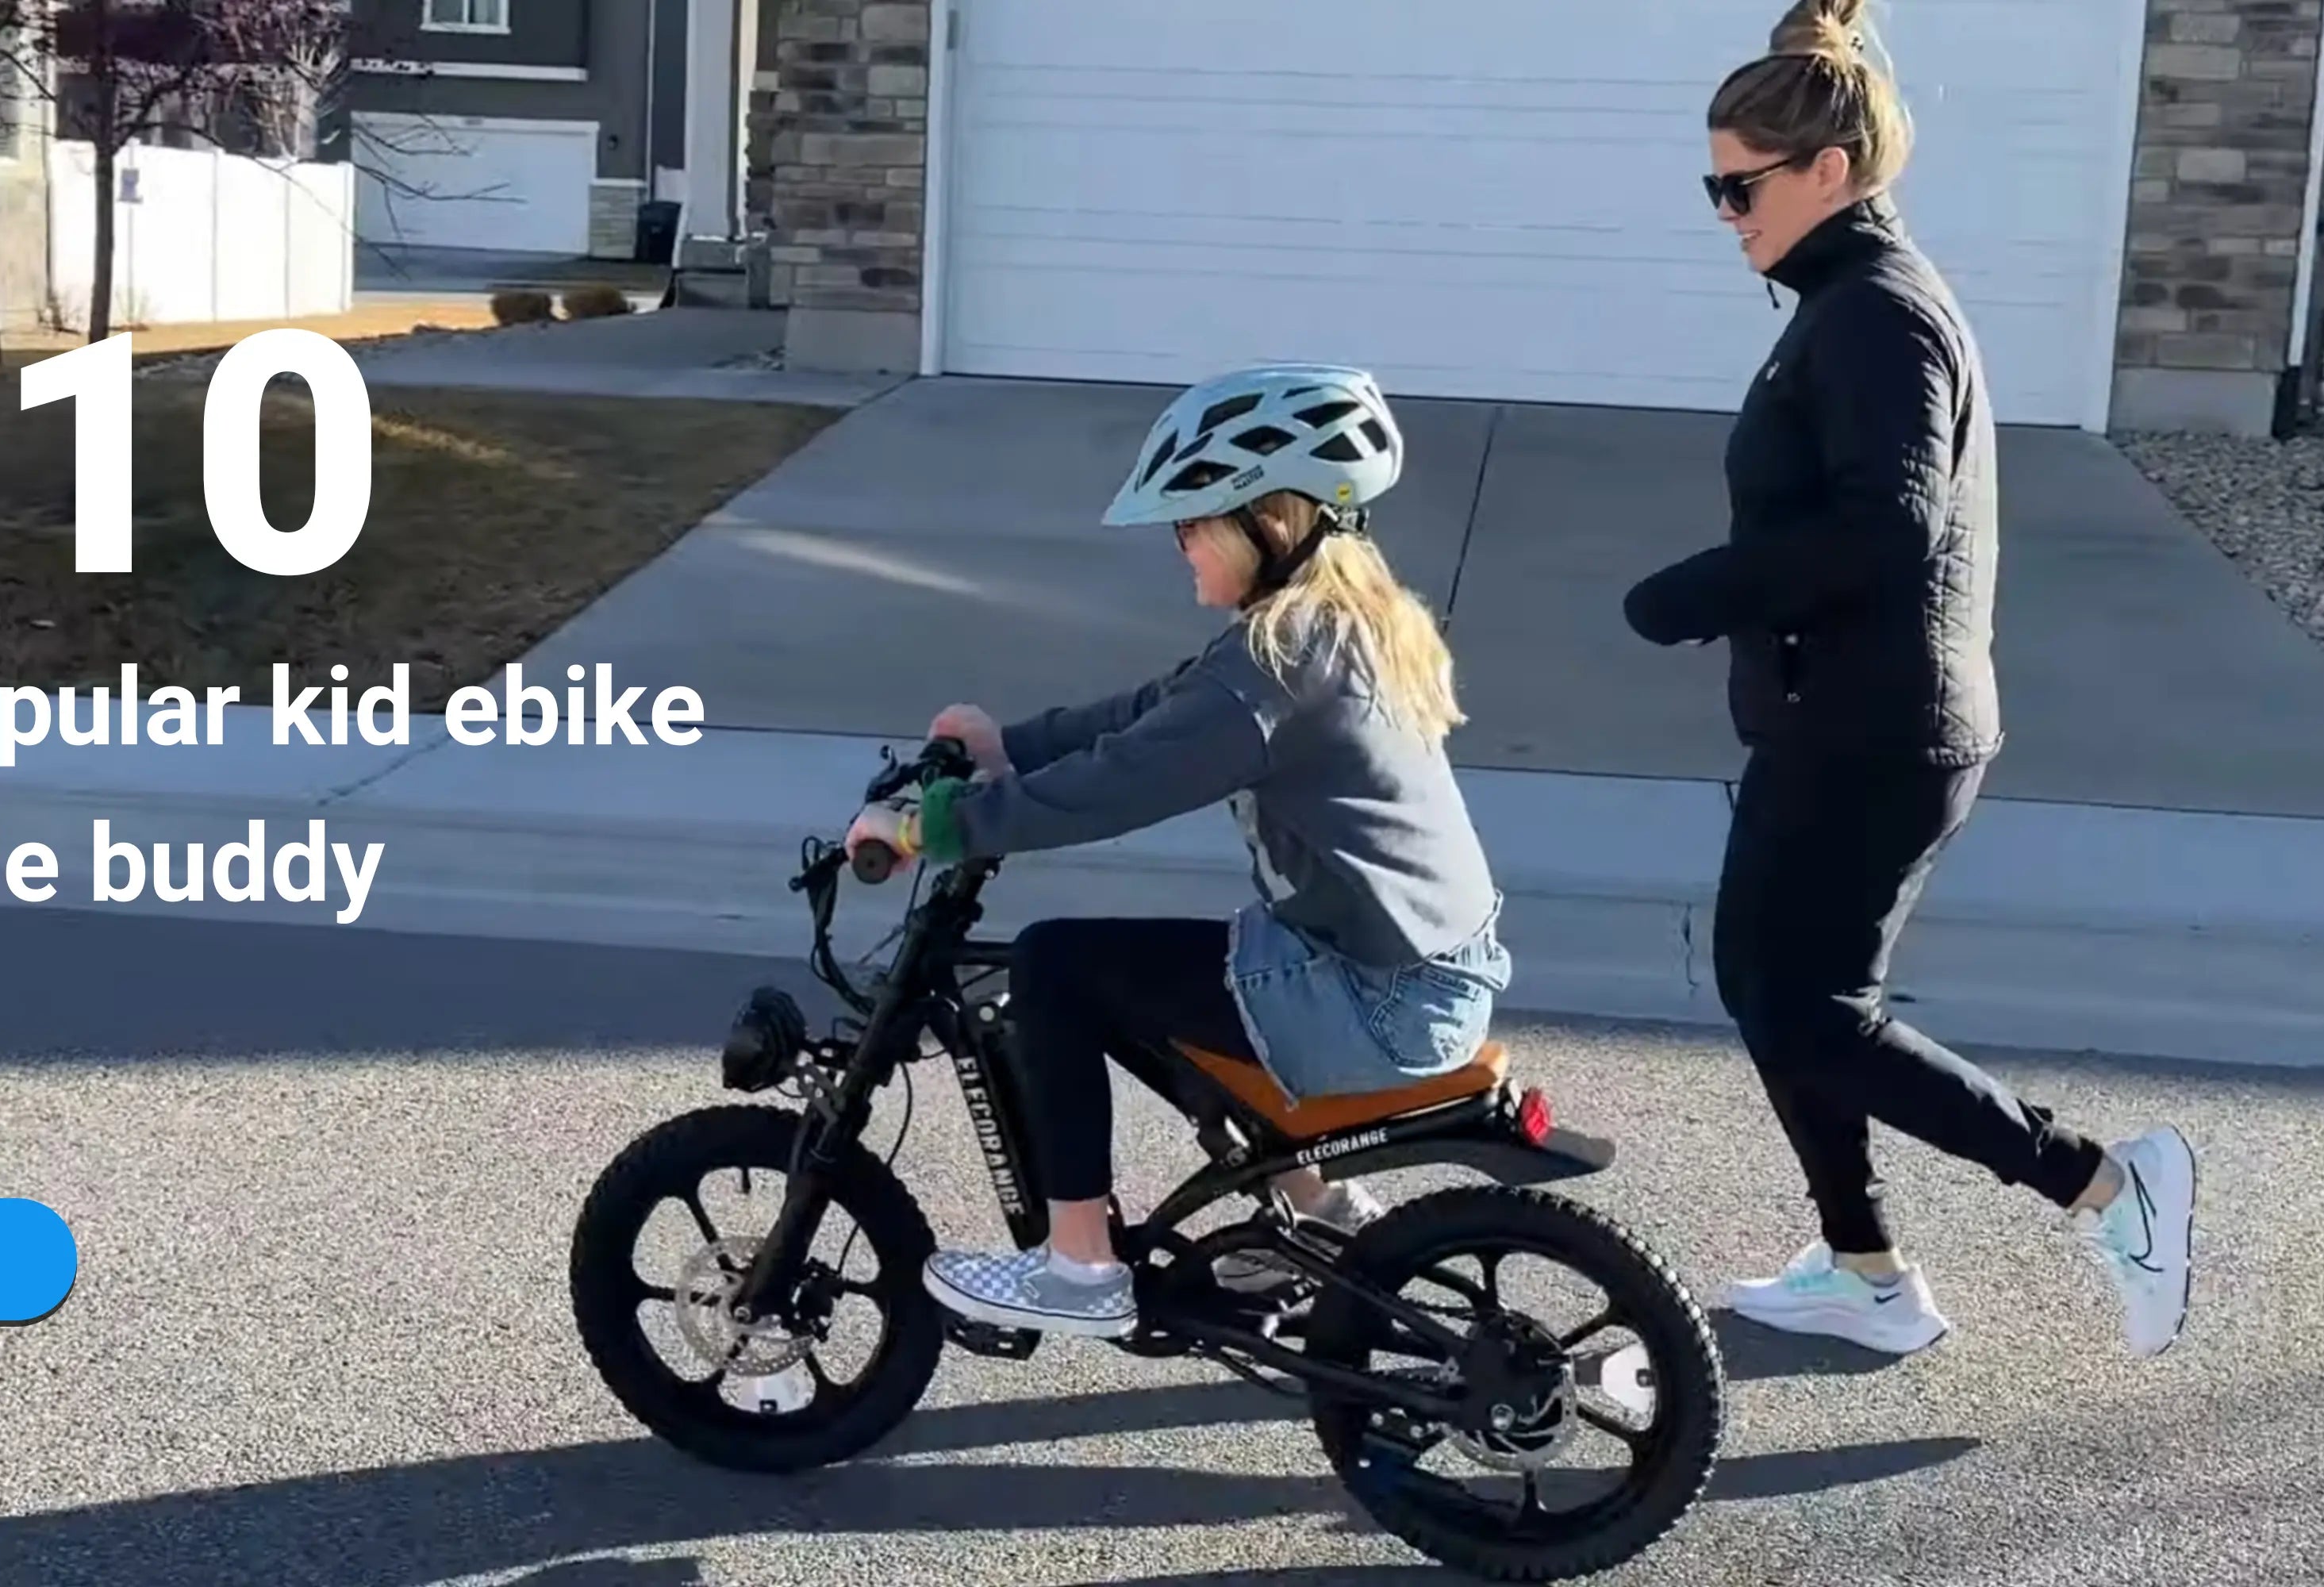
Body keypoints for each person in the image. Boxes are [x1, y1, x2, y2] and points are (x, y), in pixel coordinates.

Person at [1620, 0, 2197, 1359]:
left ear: (1828, 171)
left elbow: (1885, 527)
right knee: (1778, 992)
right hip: (1842, 719)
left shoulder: (1875, 316)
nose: (1723, 213)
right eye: (1713, 186)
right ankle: (1863, 1269)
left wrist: (1697, 592)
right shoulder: (1844, 302)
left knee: (1802, 1005)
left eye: (1739, 186)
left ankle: (2104, 1186)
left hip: (1876, 733)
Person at [846, 363, 1513, 1339]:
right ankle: (1318, 1208)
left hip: (1375, 999)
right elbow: (1155, 712)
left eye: (1192, 522)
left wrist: (927, 829)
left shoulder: (1275, 665)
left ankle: (1080, 1267)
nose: (1179, 544)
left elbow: (1121, 783)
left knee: (1059, 963)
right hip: (1411, 969)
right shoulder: (1328, 625)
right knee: (1174, 978)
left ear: (1268, 521)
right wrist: (1011, 748)